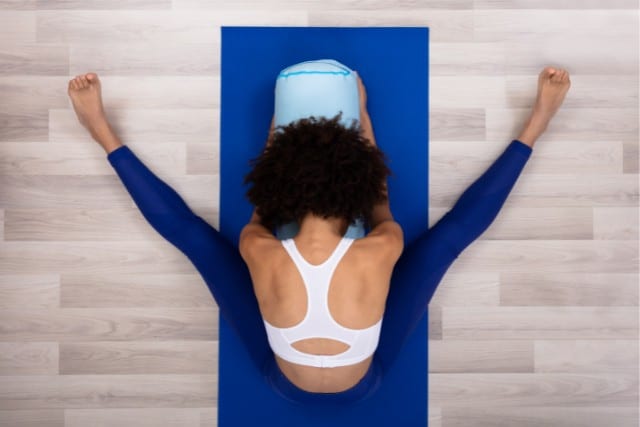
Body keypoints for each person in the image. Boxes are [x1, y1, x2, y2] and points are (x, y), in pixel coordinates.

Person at [67, 65, 570, 406]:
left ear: (278, 183)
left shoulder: (258, 248)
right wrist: (362, 111)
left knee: (193, 239)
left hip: (284, 380)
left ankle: (100, 130)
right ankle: (539, 122)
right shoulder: (382, 247)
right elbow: (379, 194)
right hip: (361, 382)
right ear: (352, 184)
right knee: (448, 241)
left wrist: (277, 131)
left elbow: (258, 197)